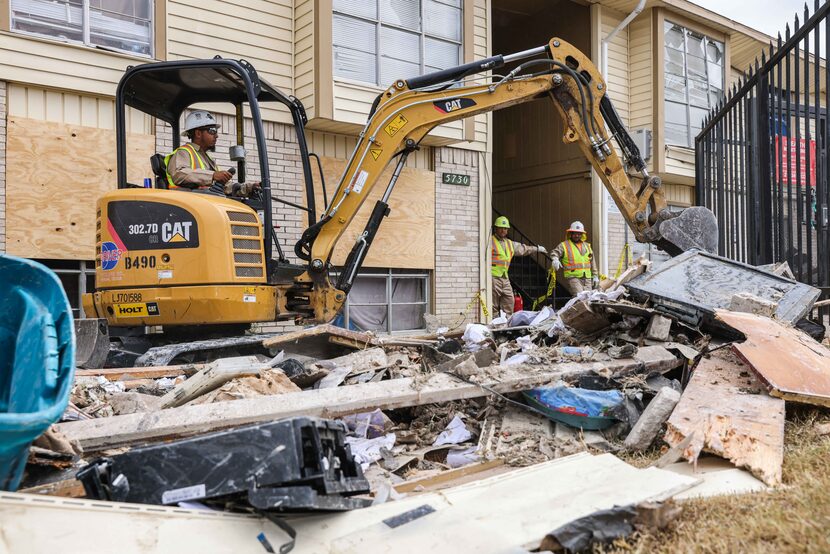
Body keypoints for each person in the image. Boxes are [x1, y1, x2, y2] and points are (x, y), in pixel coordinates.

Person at [165, 110, 258, 196]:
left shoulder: (208, 159)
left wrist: (249, 187)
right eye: (212, 130)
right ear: (198, 133)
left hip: (206, 203)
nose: (216, 136)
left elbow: (223, 187)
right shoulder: (184, 152)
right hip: (188, 206)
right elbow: (179, 174)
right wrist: (213, 175)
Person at [491, 216, 547, 317]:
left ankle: (506, 323)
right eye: (501, 228)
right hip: (493, 277)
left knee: (509, 300)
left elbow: (523, 249)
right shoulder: (490, 241)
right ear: (496, 228)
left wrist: (536, 249)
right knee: (493, 304)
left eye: (505, 228)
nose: (503, 230)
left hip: (504, 277)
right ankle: (493, 322)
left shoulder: (509, 243)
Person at [550, 221, 598, 295]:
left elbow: (592, 262)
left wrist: (595, 276)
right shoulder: (564, 245)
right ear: (571, 233)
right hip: (573, 277)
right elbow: (554, 253)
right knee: (580, 297)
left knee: (588, 299)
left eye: (579, 233)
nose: (577, 235)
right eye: (575, 233)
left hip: (587, 278)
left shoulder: (587, 246)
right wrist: (555, 259)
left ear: (582, 234)